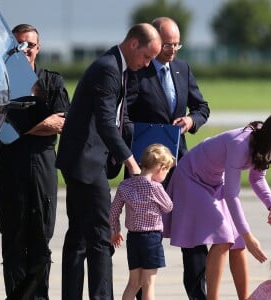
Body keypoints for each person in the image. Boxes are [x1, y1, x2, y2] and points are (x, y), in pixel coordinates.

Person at [56, 23, 162, 300]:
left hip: (84, 159)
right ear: (133, 45)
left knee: (79, 235)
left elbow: (119, 117)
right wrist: (131, 162)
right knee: (101, 235)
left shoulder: (120, 67)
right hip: (86, 160)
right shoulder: (108, 68)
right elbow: (105, 121)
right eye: (147, 57)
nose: (147, 63)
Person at [127, 17, 210, 299]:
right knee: (145, 235)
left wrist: (190, 120)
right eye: (167, 45)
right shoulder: (137, 71)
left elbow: (202, 107)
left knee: (194, 234)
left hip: (181, 165)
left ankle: (198, 294)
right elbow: (122, 114)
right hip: (146, 167)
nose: (173, 50)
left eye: (177, 44)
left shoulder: (182, 69)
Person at [0, 24, 70, 299]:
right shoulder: (0, 86)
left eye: (30, 44)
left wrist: (22, 130)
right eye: (19, 45)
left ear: (38, 48)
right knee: (13, 240)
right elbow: (1, 130)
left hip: (42, 167)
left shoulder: (52, 82)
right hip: (11, 170)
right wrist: (40, 125)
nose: (25, 49)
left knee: (41, 238)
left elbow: (61, 122)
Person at [164, 115, 271, 300]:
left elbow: (257, 178)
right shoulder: (240, 144)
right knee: (224, 237)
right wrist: (249, 236)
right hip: (191, 177)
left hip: (213, 181)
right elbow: (231, 195)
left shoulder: (264, 145)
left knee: (237, 242)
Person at [110, 144, 175, 300]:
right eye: (167, 171)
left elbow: (113, 212)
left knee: (134, 283)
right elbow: (168, 207)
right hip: (151, 238)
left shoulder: (125, 185)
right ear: (160, 168)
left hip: (133, 238)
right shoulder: (155, 187)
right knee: (148, 283)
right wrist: (160, 189)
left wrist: (115, 231)